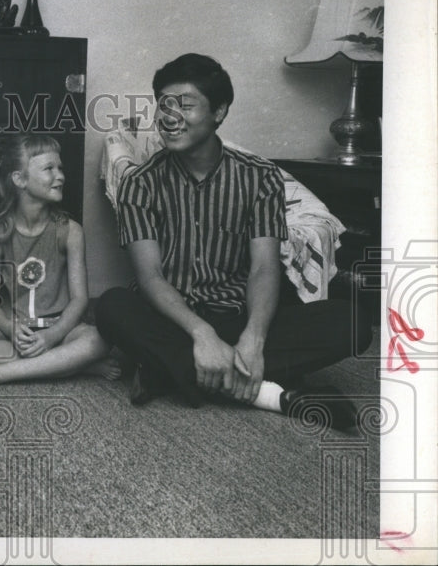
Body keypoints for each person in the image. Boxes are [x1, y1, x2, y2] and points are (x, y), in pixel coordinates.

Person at [94, 53, 372, 429]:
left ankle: (166, 370)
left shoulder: (260, 179)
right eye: (164, 105)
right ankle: (276, 395)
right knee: (111, 307)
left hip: (239, 315)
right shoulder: (139, 184)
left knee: (352, 321)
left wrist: (253, 339)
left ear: (219, 112)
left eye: (186, 105)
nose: (170, 118)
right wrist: (201, 334)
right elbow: (151, 278)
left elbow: (263, 267)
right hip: (173, 318)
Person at [0, 134, 120, 387]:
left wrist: (52, 335)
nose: (59, 175)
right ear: (20, 179)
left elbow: (80, 300)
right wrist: (9, 328)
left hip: (62, 330)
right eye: (49, 168)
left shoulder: (70, 231)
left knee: (97, 340)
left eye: (60, 168)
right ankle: (71, 365)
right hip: (19, 332)